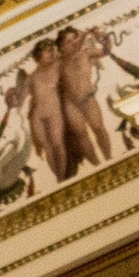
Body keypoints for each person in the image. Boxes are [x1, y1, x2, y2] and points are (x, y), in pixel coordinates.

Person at [6, 41, 69, 181]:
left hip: (54, 112)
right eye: (48, 50)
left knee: (58, 144)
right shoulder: (31, 78)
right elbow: (20, 101)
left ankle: (65, 177)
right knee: (48, 147)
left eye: (53, 49)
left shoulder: (57, 67)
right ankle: (60, 179)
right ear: (38, 55)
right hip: (37, 116)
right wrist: (10, 97)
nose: (52, 53)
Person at [55, 27, 113, 172]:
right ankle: (97, 166)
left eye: (74, 38)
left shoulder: (86, 53)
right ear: (61, 47)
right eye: (68, 41)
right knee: (81, 135)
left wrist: (104, 37)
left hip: (88, 99)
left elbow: (106, 51)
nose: (73, 43)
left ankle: (109, 159)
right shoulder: (59, 63)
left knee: (99, 128)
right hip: (71, 104)